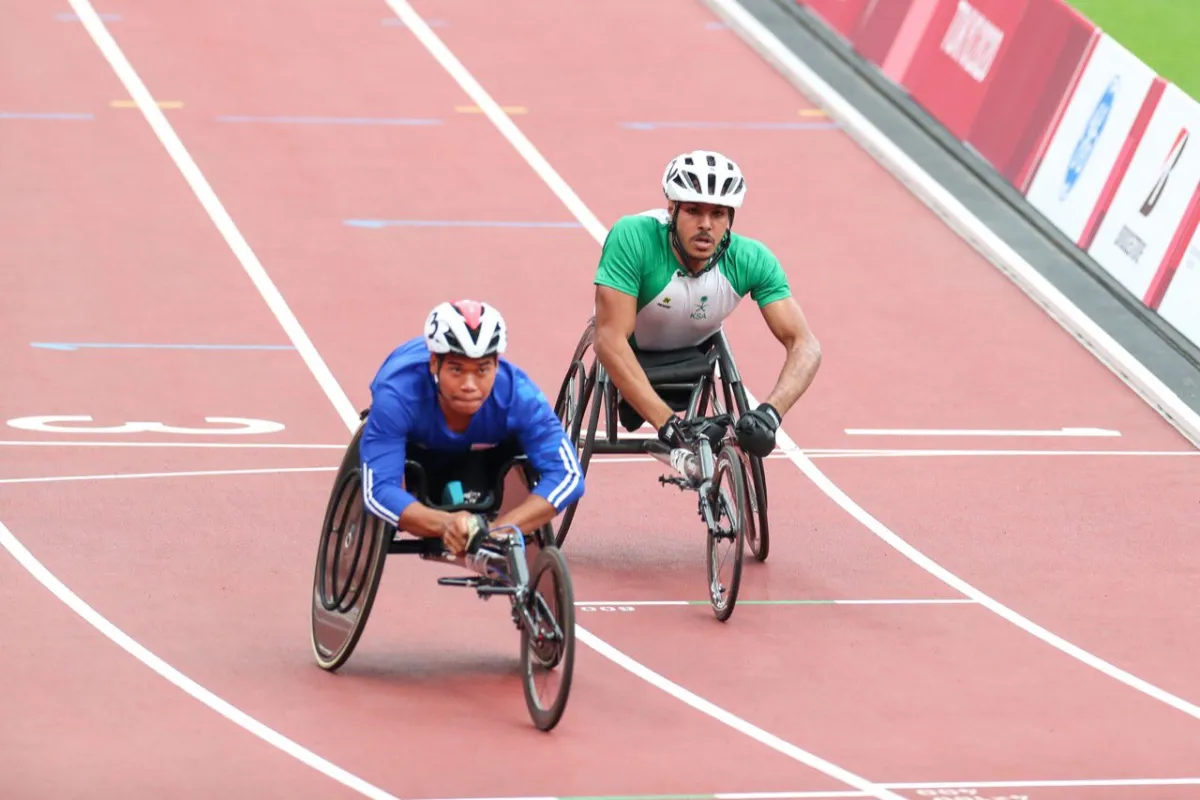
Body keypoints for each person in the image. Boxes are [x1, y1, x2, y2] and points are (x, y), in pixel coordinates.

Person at [592, 149, 821, 460]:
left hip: (694, 357)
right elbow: (609, 339)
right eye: (693, 211)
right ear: (671, 208)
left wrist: (771, 413)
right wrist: (668, 425)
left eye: (718, 214)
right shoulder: (633, 237)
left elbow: (805, 345)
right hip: (629, 353)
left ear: (730, 218)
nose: (706, 225)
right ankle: (642, 406)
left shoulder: (752, 259)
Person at [358, 299, 584, 557]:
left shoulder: (519, 396)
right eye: (456, 369)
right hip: (417, 448)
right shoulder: (397, 395)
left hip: (486, 455)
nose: (469, 384)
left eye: (482, 370)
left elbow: (568, 475)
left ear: (497, 365)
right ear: (434, 364)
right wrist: (445, 524)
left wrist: (503, 529)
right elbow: (379, 491)